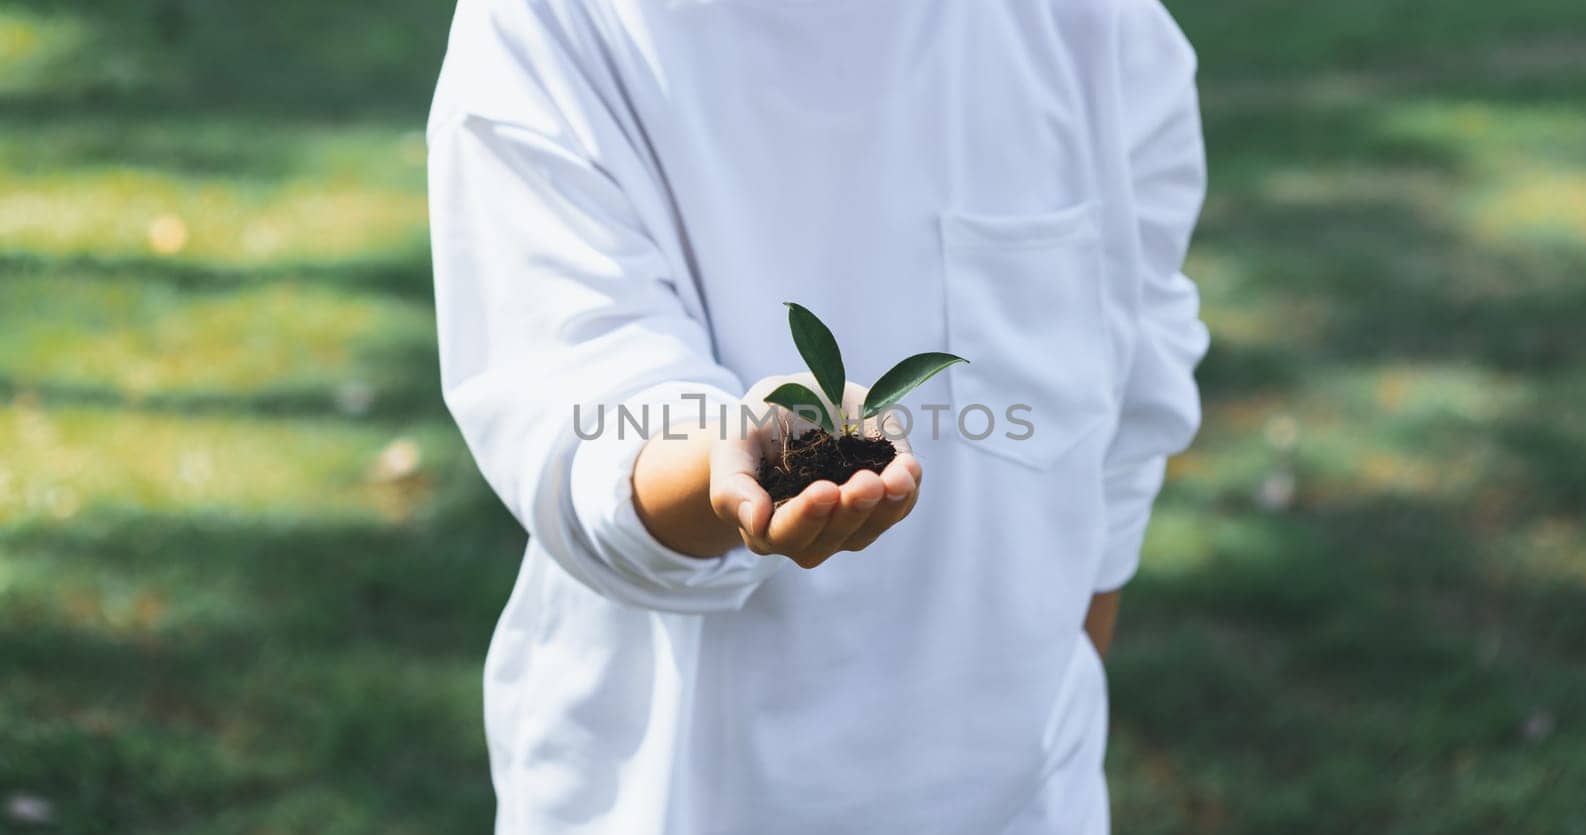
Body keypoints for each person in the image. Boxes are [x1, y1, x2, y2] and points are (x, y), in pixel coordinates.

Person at [426, 0, 1208, 831]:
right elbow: (578, 399)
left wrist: (1063, 689)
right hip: (678, 791)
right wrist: (730, 463)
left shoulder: (1100, 26)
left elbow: (1132, 403)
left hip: (1024, 795)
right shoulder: (555, 21)